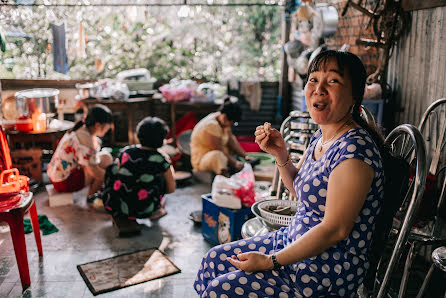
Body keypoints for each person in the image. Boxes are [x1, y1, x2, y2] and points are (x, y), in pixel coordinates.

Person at [194, 50, 386, 297]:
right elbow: (301, 192)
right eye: (313, 79)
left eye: (333, 81)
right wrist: (280, 155)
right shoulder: (322, 135)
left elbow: (335, 229)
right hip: (292, 242)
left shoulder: (354, 150)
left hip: (325, 268)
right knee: (212, 261)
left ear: (354, 96)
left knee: (221, 290)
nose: (319, 89)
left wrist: (270, 261)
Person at [101, 116, 176, 221]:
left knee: (113, 168)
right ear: (161, 140)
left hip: (118, 206)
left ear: (139, 134)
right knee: (160, 178)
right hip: (145, 210)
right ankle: (157, 211)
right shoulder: (161, 159)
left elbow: (119, 174)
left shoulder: (126, 152)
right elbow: (171, 188)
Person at [47, 104, 113, 200]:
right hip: (64, 182)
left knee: (103, 159)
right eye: (107, 127)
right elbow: (94, 171)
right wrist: (114, 180)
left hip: (56, 178)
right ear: (98, 125)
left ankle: (95, 193)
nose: (108, 130)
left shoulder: (81, 128)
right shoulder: (84, 137)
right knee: (106, 160)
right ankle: (91, 197)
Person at [190, 99, 247, 177]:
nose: (231, 125)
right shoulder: (211, 125)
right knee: (218, 155)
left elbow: (231, 140)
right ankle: (226, 178)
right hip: (202, 160)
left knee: (230, 149)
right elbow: (218, 148)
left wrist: (245, 156)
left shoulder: (222, 120)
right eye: (232, 122)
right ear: (224, 117)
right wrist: (235, 163)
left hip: (219, 155)